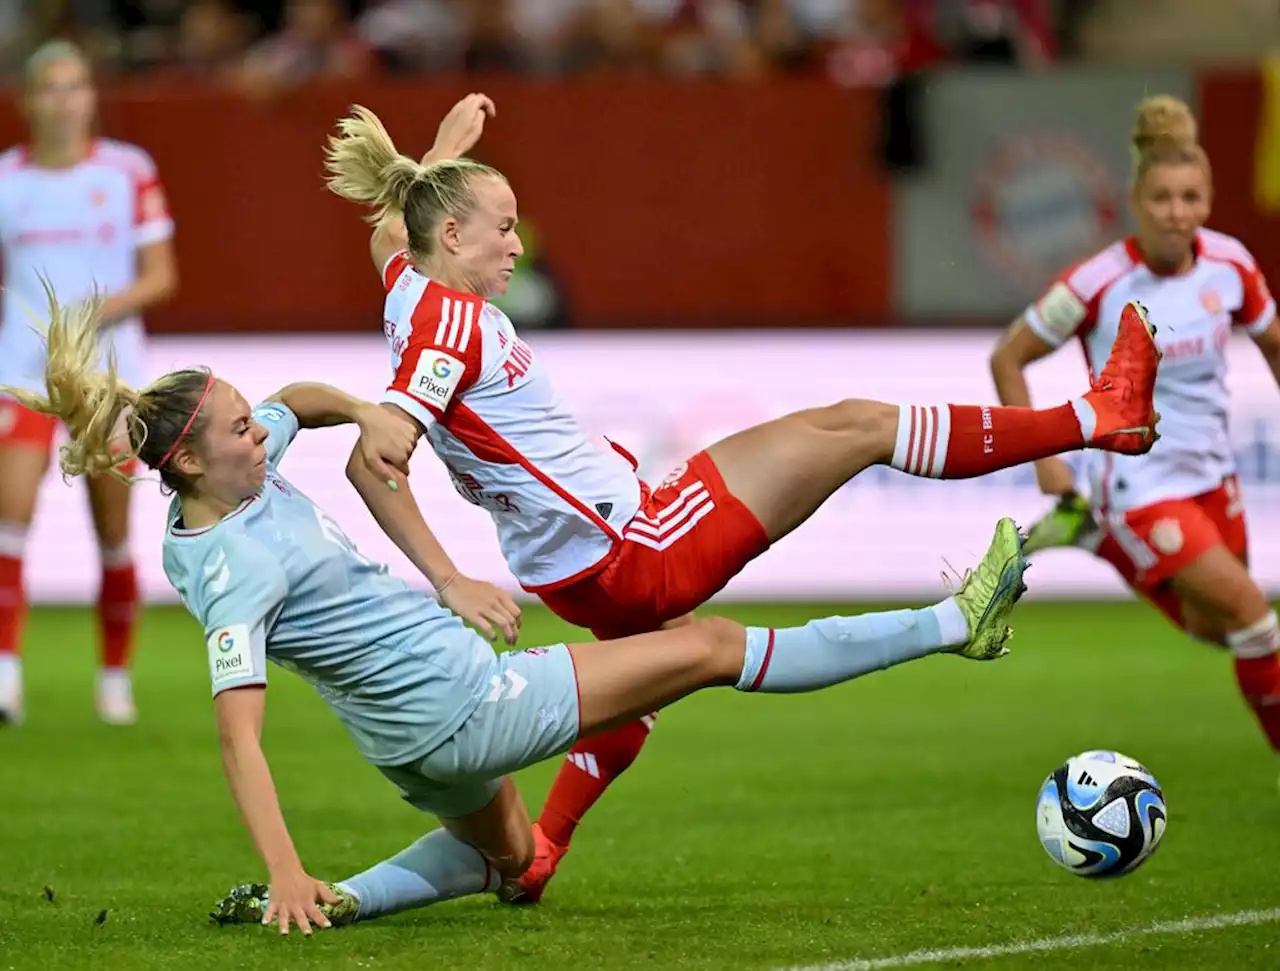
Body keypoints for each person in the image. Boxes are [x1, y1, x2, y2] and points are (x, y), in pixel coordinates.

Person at [325, 98, 1162, 901]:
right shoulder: (449, 328)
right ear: (455, 232)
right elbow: (377, 458)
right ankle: (1097, 415)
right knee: (856, 427)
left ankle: (542, 851)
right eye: (503, 227)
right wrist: (448, 580)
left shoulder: (407, 284)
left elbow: (392, 235)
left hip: (574, 567)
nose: (517, 244)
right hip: (636, 545)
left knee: (669, 665)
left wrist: (437, 154)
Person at [9, 285, 1030, 935]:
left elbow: (297, 397)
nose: (259, 432)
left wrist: (366, 412)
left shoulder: (230, 474)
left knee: (503, 863)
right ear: (187, 458)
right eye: (239, 429)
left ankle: (352, 896)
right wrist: (280, 864)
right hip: (469, 700)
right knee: (708, 645)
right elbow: (238, 737)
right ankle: (956, 621)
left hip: (411, 747)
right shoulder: (229, 568)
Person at [990, 95, 1280, 774]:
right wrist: (1047, 464)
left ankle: (1094, 538)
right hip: (1141, 483)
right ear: (1136, 202)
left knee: (1222, 629)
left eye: (1190, 197)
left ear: (1207, 201)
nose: (1176, 212)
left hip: (1214, 475)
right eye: (1162, 199)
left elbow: (1271, 340)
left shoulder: (1231, 265)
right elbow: (1008, 357)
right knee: (1253, 615)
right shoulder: (1097, 280)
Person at [0, 41, 178, 726]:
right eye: (50, 88)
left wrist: (91, 314)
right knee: (10, 517)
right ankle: (7, 677)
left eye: (76, 87)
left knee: (112, 529)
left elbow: (162, 275)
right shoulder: (8, 179)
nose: (64, 100)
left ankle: (113, 678)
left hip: (109, 376)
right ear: (28, 99)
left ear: (92, 97)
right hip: (22, 374)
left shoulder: (128, 171)